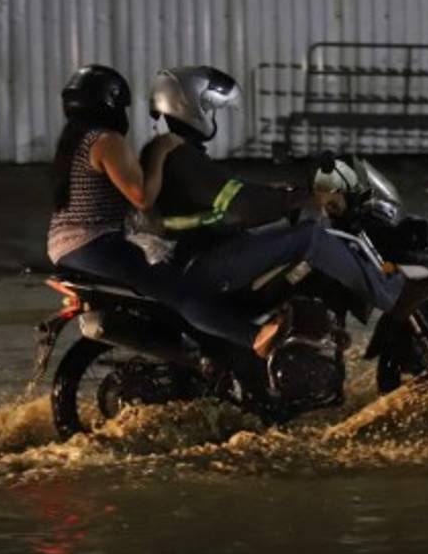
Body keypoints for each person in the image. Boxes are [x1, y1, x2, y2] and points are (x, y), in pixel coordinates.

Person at [141, 66, 406, 321]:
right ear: (188, 107)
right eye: (210, 108)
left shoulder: (175, 152)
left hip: (202, 252)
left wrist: (281, 194)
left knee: (290, 240)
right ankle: (388, 294)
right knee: (311, 237)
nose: (212, 115)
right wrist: (311, 198)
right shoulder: (182, 158)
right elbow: (244, 205)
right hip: (204, 262)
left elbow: (228, 192)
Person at [45, 64, 276, 356]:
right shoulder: (106, 141)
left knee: (161, 287)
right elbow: (142, 196)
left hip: (65, 248)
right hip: (95, 244)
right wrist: (161, 150)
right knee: (182, 290)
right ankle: (254, 337)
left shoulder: (74, 143)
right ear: (111, 103)